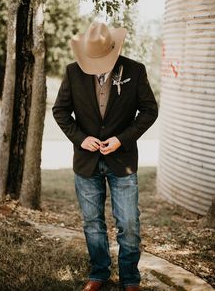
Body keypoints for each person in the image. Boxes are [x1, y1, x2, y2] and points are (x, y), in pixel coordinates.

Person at [52, 21, 158, 291]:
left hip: (122, 162)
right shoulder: (73, 72)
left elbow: (149, 111)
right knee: (92, 223)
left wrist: (121, 140)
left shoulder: (135, 70)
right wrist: (80, 138)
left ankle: (130, 278)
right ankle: (99, 273)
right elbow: (60, 111)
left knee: (129, 224)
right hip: (86, 163)